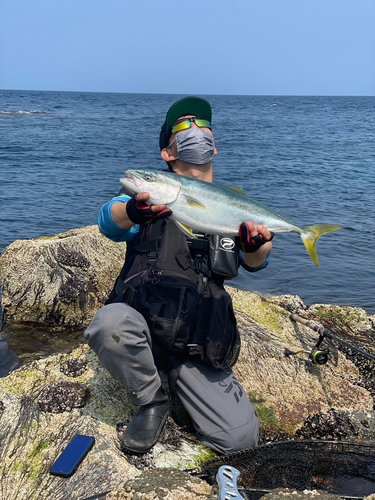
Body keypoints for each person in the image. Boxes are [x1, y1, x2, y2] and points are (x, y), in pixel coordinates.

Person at [84, 97, 273, 455]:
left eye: (202, 127)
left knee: (241, 441)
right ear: (168, 153)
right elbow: (109, 219)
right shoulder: (150, 199)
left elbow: (256, 260)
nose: (194, 132)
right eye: (182, 128)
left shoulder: (229, 207)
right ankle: (151, 400)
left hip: (197, 343)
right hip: (144, 327)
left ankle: (185, 389)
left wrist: (257, 243)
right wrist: (134, 211)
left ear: (213, 147)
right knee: (109, 323)